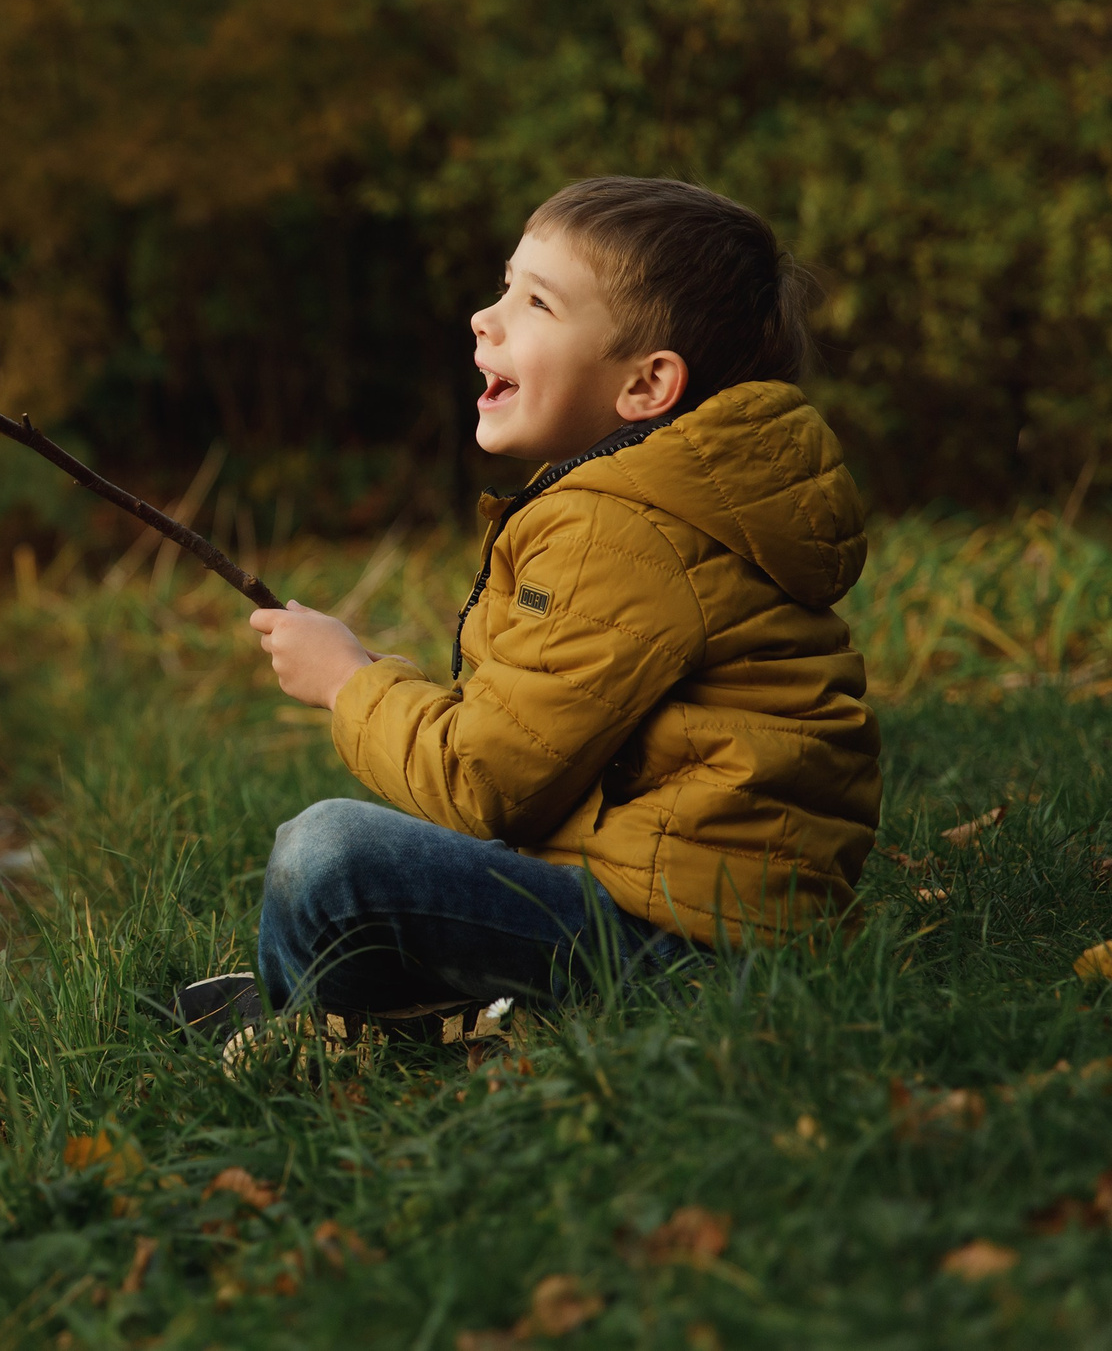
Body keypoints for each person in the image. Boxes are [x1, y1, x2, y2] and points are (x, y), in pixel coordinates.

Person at [180, 178, 881, 1056]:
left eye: (537, 301)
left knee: (327, 856)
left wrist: (349, 682)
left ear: (647, 383)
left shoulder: (620, 529)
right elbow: (530, 753)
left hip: (686, 950)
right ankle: (401, 1012)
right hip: (688, 913)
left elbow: (484, 786)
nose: (487, 315)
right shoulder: (667, 502)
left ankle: (330, 1032)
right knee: (375, 851)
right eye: (506, 285)